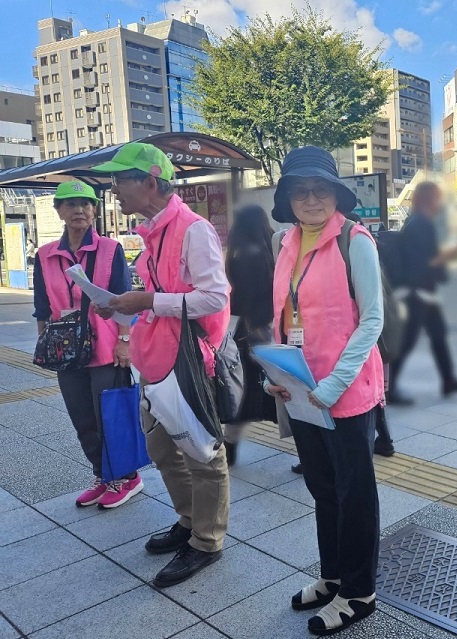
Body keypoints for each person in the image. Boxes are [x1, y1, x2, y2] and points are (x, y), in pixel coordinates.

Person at [92, 142, 231, 588]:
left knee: (203, 454)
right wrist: (116, 308)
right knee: (163, 451)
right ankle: (189, 521)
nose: (114, 190)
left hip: (187, 362)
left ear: (149, 183)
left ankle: (207, 541)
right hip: (153, 363)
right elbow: (153, 305)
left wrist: (148, 299)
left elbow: (215, 297)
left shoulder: (194, 230)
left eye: (120, 180)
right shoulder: (151, 233)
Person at [264, 146, 384, 636]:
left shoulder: (356, 240)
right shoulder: (284, 242)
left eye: (320, 189)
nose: (311, 198)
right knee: (321, 487)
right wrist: (279, 371)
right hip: (303, 388)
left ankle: (359, 591)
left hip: (347, 391)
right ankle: (332, 575)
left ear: (336, 194)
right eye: (300, 189)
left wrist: (335, 383)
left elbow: (372, 319)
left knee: (354, 493)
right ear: (288, 197)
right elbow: (285, 312)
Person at [32, 181, 138, 509]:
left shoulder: (110, 249)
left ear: (94, 210)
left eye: (86, 204)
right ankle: (102, 475)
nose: (79, 209)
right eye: (71, 204)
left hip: (106, 347)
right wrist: (45, 346)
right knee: (82, 418)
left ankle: (126, 477)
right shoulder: (46, 255)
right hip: (66, 351)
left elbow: (123, 299)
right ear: (59, 211)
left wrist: (124, 341)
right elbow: (42, 307)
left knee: (111, 415)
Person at [387, 181, 457, 404]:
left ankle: (448, 380)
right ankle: (389, 388)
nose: (441, 202)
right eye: (438, 197)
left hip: (422, 291)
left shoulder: (415, 221)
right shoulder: (422, 224)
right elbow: (430, 261)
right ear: (430, 198)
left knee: (438, 336)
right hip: (417, 292)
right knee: (407, 341)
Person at [223, 204, 277, 465]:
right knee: (281, 387)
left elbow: (238, 300)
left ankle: (230, 442)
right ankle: (306, 445)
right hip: (270, 330)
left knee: (245, 390)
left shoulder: (238, 255)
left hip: (246, 333)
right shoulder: (270, 251)